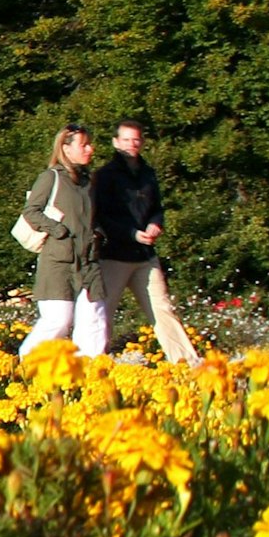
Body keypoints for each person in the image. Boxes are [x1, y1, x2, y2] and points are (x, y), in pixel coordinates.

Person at [90, 120, 201, 365]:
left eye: (136, 139)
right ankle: (90, 366)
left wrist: (155, 224)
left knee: (163, 310)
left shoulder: (148, 173)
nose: (132, 144)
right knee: (101, 315)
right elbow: (100, 217)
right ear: (115, 142)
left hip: (144, 256)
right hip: (114, 255)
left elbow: (156, 208)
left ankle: (187, 364)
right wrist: (130, 233)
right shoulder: (105, 176)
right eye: (126, 139)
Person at [18, 124, 108, 358]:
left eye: (90, 143)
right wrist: (57, 230)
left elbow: (93, 216)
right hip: (59, 261)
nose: (91, 148)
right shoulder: (51, 178)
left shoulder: (89, 182)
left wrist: (98, 234)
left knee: (94, 320)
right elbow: (31, 211)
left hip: (89, 262)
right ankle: (27, 363)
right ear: (66, 149)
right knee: (58, 319)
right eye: (84, 144)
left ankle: (87, 374)